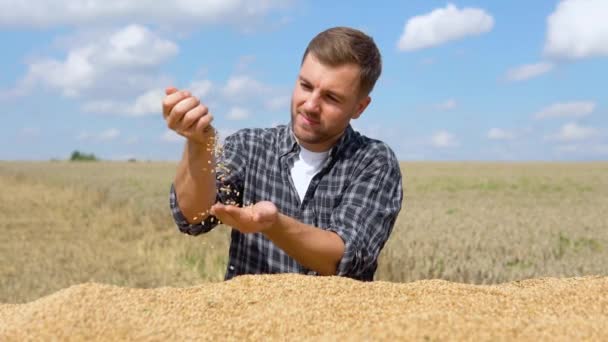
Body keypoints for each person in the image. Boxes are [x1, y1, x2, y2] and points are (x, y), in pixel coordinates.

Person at [163, 27, 403, 281]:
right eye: (306, 86)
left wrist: (273, 224)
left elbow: (344, 260)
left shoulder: (373, 161)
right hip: (247, 317)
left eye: (331, 98)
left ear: (359, 107)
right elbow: (192, 217)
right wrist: (198, 145)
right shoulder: (250, 146)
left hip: (336, 320)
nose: (310, 105)